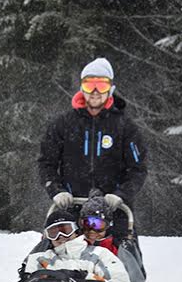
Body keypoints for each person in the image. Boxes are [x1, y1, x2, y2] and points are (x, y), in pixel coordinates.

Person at [38, 57, 148, 239]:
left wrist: (120, 195)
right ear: (82, 88)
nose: (95, 92)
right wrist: (56, 190)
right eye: (90, 85)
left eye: (102, 85)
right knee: (58, 258)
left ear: (110, 89)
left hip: (113, 212)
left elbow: (138, 169)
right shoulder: (63, 124)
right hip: (71, 209)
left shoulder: (125, 127)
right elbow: (46, 163)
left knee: (121, 260)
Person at [24, 208, 131, 282]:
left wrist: (82, 277)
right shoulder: (40, 258)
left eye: (66, 230)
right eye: (54, 233)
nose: (60, 236)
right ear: (47, 236)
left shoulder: (100, 254)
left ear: (75, 230)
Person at [79, 194, 147, 282]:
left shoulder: (119, 248)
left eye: (98, 225)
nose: (92, 230)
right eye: (87, 223)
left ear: (107, 225)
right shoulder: (74, 243)